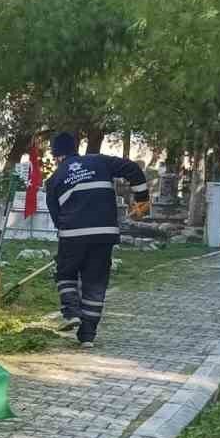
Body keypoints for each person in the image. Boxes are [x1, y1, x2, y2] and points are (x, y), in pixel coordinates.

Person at [44, 131, 149, 350]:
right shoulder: (99, 161)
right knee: (95, 281)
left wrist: (65, 243)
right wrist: (142, 200)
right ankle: (87, 336)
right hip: (104, 233)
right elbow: (133, 168)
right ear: (75, 149)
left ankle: (72, 312)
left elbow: (56, 218)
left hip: (72, 235)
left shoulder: (54, 179)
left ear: (56, 156)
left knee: (65, 273)